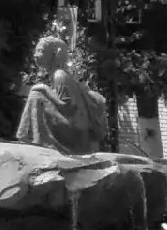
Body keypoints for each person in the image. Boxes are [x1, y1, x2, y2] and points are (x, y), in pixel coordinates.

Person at [16, 16, 107, 154]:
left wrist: (44, 89)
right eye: (36, 51)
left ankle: (34, 140)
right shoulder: (56, 75)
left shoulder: (60, 76)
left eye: (41, 51)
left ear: (53, 54)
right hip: (72, 129)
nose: (36, 55)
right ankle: (31, 139)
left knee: (36, 95)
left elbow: (69, 108)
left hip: (75, 132)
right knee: (37, 93)